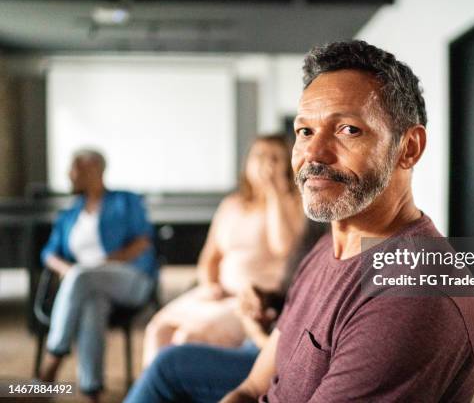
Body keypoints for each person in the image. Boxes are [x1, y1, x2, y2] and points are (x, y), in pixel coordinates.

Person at [221, 40, 474, 403]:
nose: (313, 153)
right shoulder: (329, 246)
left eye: (348, 129)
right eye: (305, 132)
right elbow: (252, 389)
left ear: (409, 148)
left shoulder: (413, 297)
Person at [141, 134, 304, 368]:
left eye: (275, 158)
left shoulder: (293, 203)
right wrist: (210, 284)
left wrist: (273, 193)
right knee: (159, 329)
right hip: (218, 293)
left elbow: (285, 248)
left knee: (188, 339)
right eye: (259, 156)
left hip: (251, 302)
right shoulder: (231, 204)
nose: (265, 164)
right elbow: (211, 257)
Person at [123, 221, 327, 403]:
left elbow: (318, 354)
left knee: (168, 365)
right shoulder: (322, 229)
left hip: (277, 356)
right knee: (164, 341)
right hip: (268, 341)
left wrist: (261, 337)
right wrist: (268, 300)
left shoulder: (358, 250)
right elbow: (299, 295)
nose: (311, 177)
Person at [38, 149, 158, 402]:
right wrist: (66, 270)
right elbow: (49, 252)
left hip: (131, 278)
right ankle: (92, 390)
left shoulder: (126, 201)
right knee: (93, 303)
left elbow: (143, 242)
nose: (69, 174)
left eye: (74, 168)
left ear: (94, 169)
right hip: (85, 285)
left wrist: (100, 264)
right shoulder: (70, 214)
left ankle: (51, 363)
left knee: (83, 277)